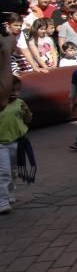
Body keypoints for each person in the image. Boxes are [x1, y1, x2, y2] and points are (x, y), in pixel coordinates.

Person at [0, 76, 30, 214]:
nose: (15, 94)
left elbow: (28, 119)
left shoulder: (19, 102)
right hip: (1, 144)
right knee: (4, 172)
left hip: (16, 141)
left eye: (18, 91)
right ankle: (3, 200)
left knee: (13, 170)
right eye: (13, 90)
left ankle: (11, 193)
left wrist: (26, 112)